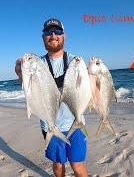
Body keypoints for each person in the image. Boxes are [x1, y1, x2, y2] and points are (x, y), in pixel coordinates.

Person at [15, 18, 88, 177]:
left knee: (77, 164)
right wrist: (21, 73)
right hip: (49, 125)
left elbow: (87, 88)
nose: (53, 35)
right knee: (58, 163)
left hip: (75, 123)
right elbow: (28, 89)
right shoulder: (36, 63)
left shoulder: (75, 61)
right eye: (48, 32)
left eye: (58, 31)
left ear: (64, 35)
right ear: (43, 37)